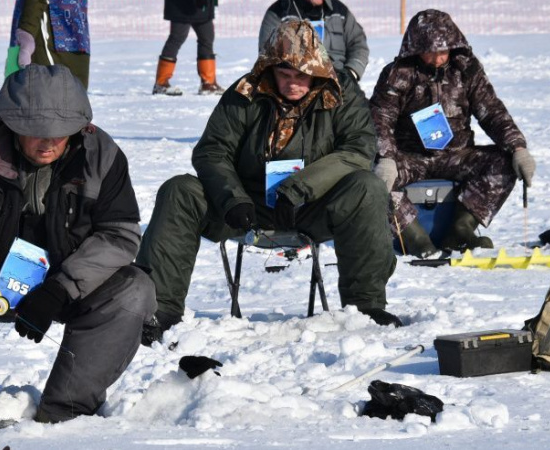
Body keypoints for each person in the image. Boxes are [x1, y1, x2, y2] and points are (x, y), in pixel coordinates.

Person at [0, 65, 156, 429]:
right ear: (11, 124)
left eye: (60, 133)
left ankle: (68, 407)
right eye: (36, 132)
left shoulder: (102, 155)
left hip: (68, 285)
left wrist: (61, 288)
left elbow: (119, 235)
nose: (48, 143)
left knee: (134, 289)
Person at [138, 19, 399, 345]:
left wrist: (300, 188)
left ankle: (366, 306)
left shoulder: (342, 91)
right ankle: (159, 312)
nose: (293, 84)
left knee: (367, 187)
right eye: (285, 75)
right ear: (270, 68)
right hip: (248, 205)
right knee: (179, 190)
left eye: (302, 76)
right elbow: (212, 151)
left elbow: (357, 151)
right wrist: (232, 198)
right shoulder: (245, 92)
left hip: (314, 203)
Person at [369, 9, 536, 258]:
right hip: (409, 157)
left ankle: (460, 230)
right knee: (373, 178)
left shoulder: (466, 70)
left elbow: (492, 111)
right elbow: (380, 119)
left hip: (456, 155)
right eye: (429, 51)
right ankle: (414, 238)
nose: (437, 58)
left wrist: (518, 148)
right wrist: (386, 157)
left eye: (443, 51)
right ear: (416, 48)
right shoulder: (397, 73)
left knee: (504, 162)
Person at [259, 0, 369, 81]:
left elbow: (358, 45)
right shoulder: (278, 13)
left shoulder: (340, 12)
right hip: (298, 86)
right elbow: (267, 55)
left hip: (339, 83)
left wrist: (351, 73)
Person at [9, 0, 91, 89]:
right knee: (75, 93)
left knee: (23, 90)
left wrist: (26, 32)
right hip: (78, 39)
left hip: (48, 40)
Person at [153, 0, 224, 96]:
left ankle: (208, 84)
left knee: (206, 38)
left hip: (202, 7)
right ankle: (161, 83)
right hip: (181, 6)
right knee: (177, 38)